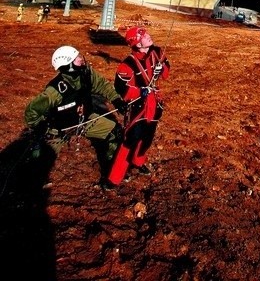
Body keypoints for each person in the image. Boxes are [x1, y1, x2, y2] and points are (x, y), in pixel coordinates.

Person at [24, 46, 127, 186]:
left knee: (115, 133)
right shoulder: (54, 91)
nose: (81, 59)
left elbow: (102, 85)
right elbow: (32, 111)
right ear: (68, 66)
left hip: (84, 120)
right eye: (77, 58)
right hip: (58, 129)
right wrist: (40, 126)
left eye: (79, 56)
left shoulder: (86, 74)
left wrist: (116, 99)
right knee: (41, 162)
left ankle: (111, 172)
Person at [107, 27, 170, 189]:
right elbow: (121, 88)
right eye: (144, 36)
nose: (149, 36)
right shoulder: (127, 64)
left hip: (154, 104)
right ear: (137, 43)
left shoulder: (156, 51)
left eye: (147, 34)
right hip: (138, 106)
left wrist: (161, 68)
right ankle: (114, 178)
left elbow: (166, 69)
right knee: (130, 140)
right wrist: (140, 91)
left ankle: (138, 161)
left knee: (148, 137)